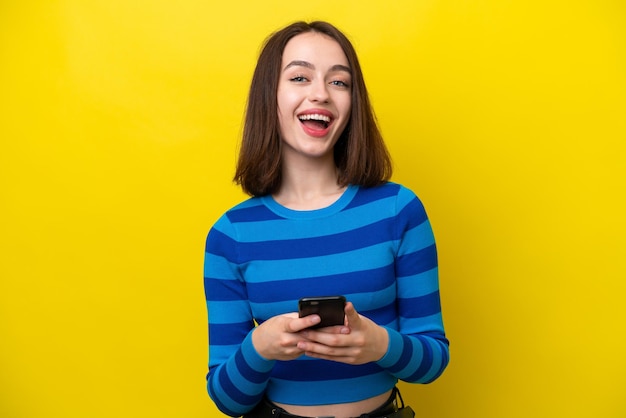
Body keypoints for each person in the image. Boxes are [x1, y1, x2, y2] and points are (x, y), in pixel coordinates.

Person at [203, 21, 449, 418]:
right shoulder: (230, 235)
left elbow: (434, 359)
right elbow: (228, 400)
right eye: (300, 77)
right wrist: (259, 348)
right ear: (270, 96)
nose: (320, 93)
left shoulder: (399, 209)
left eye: (339, 82)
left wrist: (380, 345)